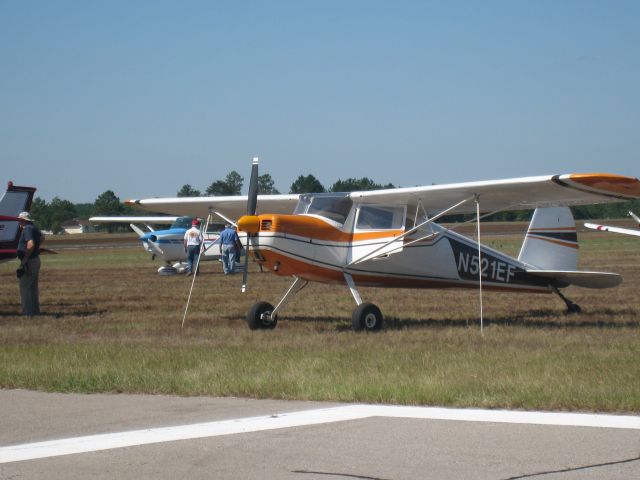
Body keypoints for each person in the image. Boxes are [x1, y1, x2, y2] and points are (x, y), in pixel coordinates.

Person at [16, 211, 43, 316]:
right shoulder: (34, 228)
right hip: (36, 260)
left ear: (23, 221)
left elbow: (30, 244)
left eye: (19, 220)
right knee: (33, 288)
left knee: (25, 288)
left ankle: (28, 313)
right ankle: (35, 311)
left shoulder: (27, 229)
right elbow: (42, 238)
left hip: (29, 261)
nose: (19, 223)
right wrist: (37, 247)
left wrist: (24, 260)